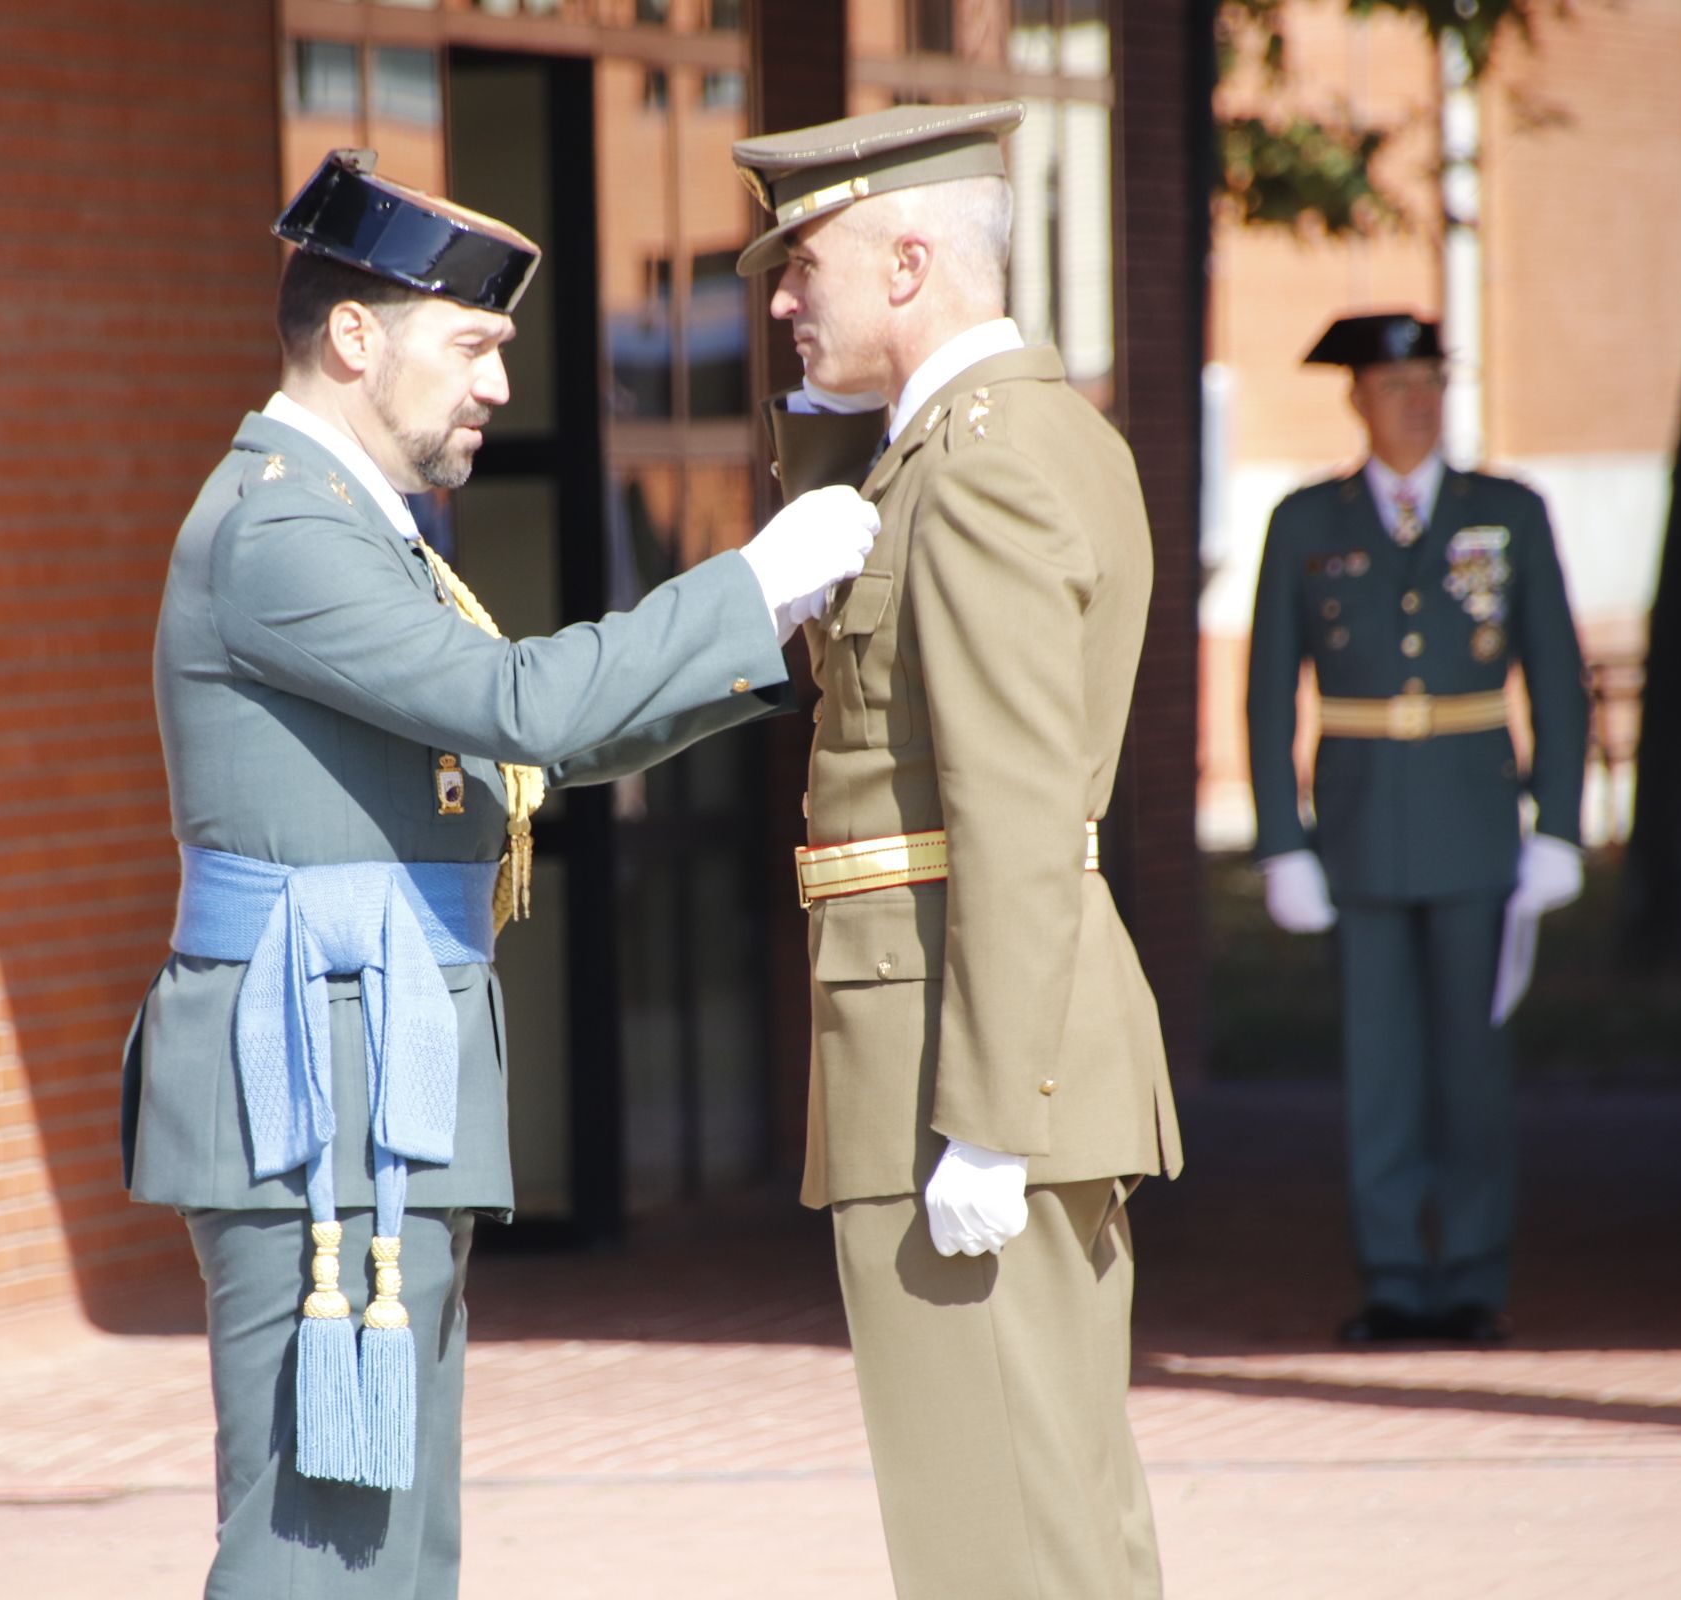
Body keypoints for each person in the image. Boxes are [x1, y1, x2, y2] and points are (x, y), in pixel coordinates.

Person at [120, 149, 877, 1598]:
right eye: (469, 344)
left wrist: (757, 640)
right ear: (355, 335)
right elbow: (528, 706)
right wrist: (754, 585)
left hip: (366, 1068)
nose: (496, 387)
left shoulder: (346, 521)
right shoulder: (284, 523)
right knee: (319, 1545)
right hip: (318, 1086)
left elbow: (535, 749)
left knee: (396, 1546)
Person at [737, 103, 1182, 1598]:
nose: (784, 299)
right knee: (1052, 1521)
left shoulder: (975, 463)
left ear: (910, 258)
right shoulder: (999, 442)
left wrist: (984, 1116)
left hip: (960, 1057)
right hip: (966, 1040)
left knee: (997, 1544)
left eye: (806, 261)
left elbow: (1009, 802)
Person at [1245, 311, 1590, 1345]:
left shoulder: (1508, 512)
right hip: (1358, 829)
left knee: (1474, 1070)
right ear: (1358, 399)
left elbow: (1556, 679)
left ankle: (1474, 1277)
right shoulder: (1308, 521)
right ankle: (1396, 1276)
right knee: (1381, 1070)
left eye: (1433, 381)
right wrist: (1281, 837)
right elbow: (1268, 693)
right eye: (1398, 385)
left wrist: (1561, 823)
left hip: (1476, 821)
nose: (1420, 402)